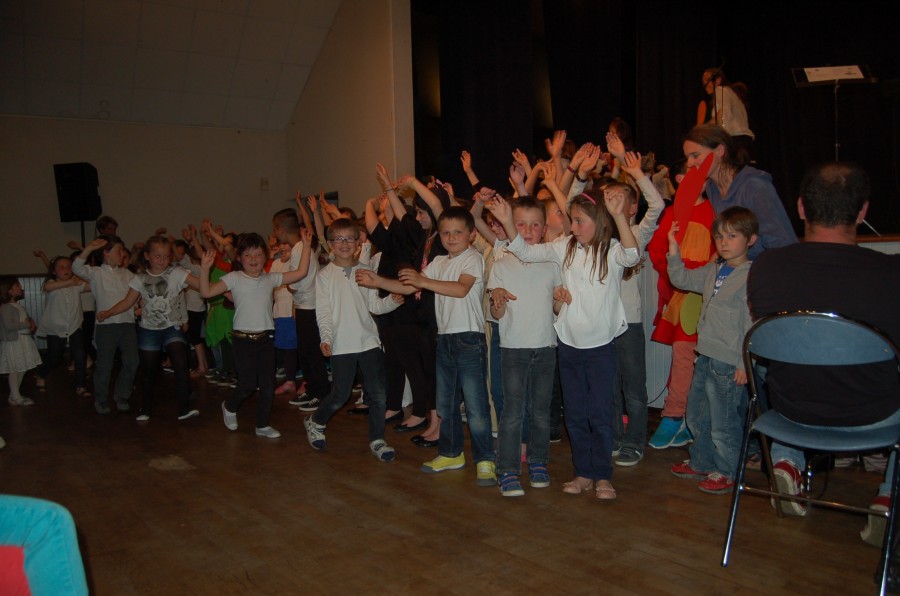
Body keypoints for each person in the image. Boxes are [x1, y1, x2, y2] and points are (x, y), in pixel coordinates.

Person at [747, 162, 900, 545]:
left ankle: (787, 460)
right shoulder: (892, 274)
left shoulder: (766, 267)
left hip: (791, 412)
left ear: (801, 208)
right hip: (873, 415)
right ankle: (890, 494)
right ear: (863, 211)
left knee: (778, 365)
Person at [488, 186, 640, 501]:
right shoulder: (563, 247)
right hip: (569, 345)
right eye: (572, 220)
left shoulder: (611, 250)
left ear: (598, 220)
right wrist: (507, 222)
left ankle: (602, 475)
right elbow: (528, 253)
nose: (573, 227)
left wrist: (618, 216)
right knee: (575, 414)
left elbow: (632, 255)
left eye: (579, 221)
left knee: (600, 414)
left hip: (601, 347)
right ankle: (583, 473)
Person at [357, 206, 495, 486]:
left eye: (458, 232)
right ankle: (451, 453)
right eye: (445, 233)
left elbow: (461, 289)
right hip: (444, 339)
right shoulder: (439, 262)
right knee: (445, 403)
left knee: (476, 405)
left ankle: (485, 460)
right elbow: (409, 287)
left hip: (469, 339)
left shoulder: (473, 258)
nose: (451, 237)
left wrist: (422, 281)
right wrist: (378, 281)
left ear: (471, 234)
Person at [666, 207, 757, 494]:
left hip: (729, 360)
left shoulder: (751, 276)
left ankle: (728, 471)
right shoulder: (714, 269)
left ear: (751, 239)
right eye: (719, 236)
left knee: (724, 420)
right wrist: (673, 249)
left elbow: (750, 322)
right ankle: (702, 461)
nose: (724, 242)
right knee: (697, 414)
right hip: (705, 353)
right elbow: (681, 279)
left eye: (732, 236)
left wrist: (744, 361)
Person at [303, 218, 401, 461]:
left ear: (358, 243)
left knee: (378, 394)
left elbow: (374, 306)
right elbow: (323, 313)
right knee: (340, 394)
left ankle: (377, 439)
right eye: (339, 239)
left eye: (349, 238)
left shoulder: (366, 271)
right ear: (330, 244)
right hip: (341, 344)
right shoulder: (325, 276)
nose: (344, 243)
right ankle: (316, 421)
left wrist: (391, 301)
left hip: (368, 342)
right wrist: (326, 338)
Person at [200, 231, 312, 439]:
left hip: (266, 338)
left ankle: (262, 424)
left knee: (268, 385)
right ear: (240, 258)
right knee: (248, 384)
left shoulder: (270, 278)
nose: (253, 259)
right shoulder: (234, 278)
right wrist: (205, 269)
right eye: (248, 255)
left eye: (258, 254)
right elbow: (206, 293)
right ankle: (230, 406)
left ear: (265, 257)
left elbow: (301, 272)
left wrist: (306, 246)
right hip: (242, 340)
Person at [487, 196, 561, 496]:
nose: (528, 231)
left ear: (544, 229)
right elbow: (497, 314)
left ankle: (538, 462)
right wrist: (498, 301)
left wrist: (562, 300)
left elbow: (556, 308)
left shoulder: (552, 262)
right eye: (521, 224)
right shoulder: (501, 263)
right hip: (513, 349)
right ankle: (507, 469)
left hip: (546, 348)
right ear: (510, 226)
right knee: (512, 411)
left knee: (541, 411)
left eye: (535, 225)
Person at [604, 137, 666, 467]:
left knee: (633, 387)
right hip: (603, 323)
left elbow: (657, 206)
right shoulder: (600, 240)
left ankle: (634, 440)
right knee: (610, 386)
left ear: (631, 208)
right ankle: (615, 436)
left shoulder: (638, 234)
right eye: (607, 199)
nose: (612, 204)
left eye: (619, 200)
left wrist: (636, 173)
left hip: (629, 322)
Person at [97, 236, 202, 421]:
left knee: (180, 363)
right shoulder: (140, 278)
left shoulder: (176, 273)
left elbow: (201, 286)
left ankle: (184, 408)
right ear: (147, 256)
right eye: (157, 256)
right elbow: (128, 302)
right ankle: (145, 409)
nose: (162, 260)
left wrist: (208, 271)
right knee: (148, 370)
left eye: (166, 256)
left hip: (172, 326)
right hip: (149, 330)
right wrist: (109, 312)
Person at [683, 124, 796, 259]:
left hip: (766, 264)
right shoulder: (712, 188)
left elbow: (780, 242)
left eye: (695, 155)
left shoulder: (754, 186)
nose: (689, 163)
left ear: (719, 151)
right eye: (687, 157)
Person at [73, 236, 139, 414]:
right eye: (119, 250)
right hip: (106, 325)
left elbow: (136, 296)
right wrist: (88, 248)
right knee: (104, 364)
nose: (123, 254)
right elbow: (76, 268)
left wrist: (138, 307)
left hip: (127, 324)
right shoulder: (96, 273)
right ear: (106, 253)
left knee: (132, 361)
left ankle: (122, 395)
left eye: (123, 251)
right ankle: (101, 399)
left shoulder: (128, 274)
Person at [34, 256, 91, 398]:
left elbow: (91, 286)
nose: (66, 270)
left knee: (80, 355)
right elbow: (48, 287)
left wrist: (87, 277)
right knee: (54, 358)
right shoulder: (51, 284)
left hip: (74, 325)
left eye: (69, 267)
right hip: (56, 327)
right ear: (54, 271)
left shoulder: (75, 284)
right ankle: (41, 373)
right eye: (61, 267)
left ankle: (80, 385)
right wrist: (71, 282)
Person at [0, 276, 41, 406]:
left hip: (23, 340)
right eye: (17, 285)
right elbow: (9, 325)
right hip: (14, 342)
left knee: (22, 367)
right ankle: (16, 396)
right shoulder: (6, 307)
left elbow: (25, 318)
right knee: (15, 369)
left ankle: (14, 395)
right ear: (9, 290)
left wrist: (31, 323)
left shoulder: (16, 306)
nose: (20, 287)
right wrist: (26, 324)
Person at [697, 68, 754, 160]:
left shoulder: (720, 90)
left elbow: (724, 115)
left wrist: (703, 129)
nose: (705, 85)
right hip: (744, 140)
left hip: (734, 140)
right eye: (703, 83)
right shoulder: (733, 94)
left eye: (707, 80)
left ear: (718, 80)